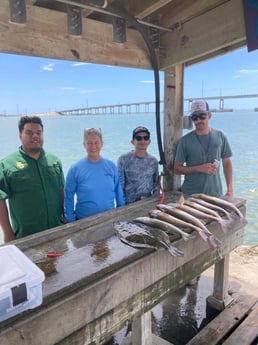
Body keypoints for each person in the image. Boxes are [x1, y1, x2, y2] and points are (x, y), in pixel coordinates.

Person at [0, 116, 65, 243]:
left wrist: (64, 216)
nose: (35, 136)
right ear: (20, 135)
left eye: (38, 133)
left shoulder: (54, 161)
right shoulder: (6, 165)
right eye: (29, 133)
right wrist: (8, 233)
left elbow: (61, 189)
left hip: (57, 230)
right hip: (25, 235)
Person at [174, 99, 233, 196]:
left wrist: (230, 190)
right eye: (195, 117)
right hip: (189, 195)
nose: (198, 120)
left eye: (202, 116)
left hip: (215, 194)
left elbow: (227, 163)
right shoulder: (184, 141)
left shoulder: (220, 136)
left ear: (209, 115)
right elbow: (177, 169)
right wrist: (199, 168)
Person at [64, 128, 125, 222]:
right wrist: (70, 221)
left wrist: (121, 214)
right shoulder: (75, 169)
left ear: (102, 144)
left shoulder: (111, 166)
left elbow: (118, 192)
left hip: (110, 219)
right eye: (89, 143)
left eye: (96, 142)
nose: (93, 146)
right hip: (83, 220)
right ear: (84, 144)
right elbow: (69, 197)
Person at [117, 126, 160, 204]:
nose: (142, 140)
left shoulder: (153, 161)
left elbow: (156, 185)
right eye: (138, 138)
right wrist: (121, 206)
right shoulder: (123, 159)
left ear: (149, 141)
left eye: (145, 138)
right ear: (132, 141)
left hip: (148, 202)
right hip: (128, 204)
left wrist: (155, 203)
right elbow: (119, 185)